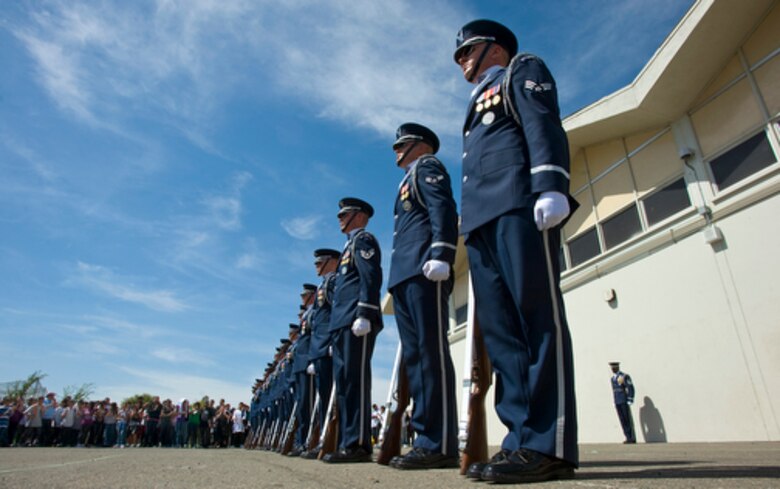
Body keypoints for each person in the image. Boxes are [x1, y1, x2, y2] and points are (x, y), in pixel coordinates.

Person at [452, 19, 578, 483]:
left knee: (536, 320)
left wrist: (550, 184)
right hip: (484, 222)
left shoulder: (521, 70)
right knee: (503, 337)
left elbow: (541, 123)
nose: (463, 62)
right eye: (460, 56)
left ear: (495, 50)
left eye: (469, 52)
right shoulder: (477, 99)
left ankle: (550, 444)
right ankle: (521, 441)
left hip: (520, 206)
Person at [386, 123, 459, 470]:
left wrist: (442, 253)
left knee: (430, 353)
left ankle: (438, 442)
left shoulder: (427, 167)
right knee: (415, 358)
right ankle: (426, 438)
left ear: (421, 145)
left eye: (403, 145)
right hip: (405, 274)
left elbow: (442, 209)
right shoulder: (406, 179)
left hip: (424, 268)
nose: (396, 151)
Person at [322, 198, 383, 463]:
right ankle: (348, 441)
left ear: (359, 217)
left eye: (344, 214)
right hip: (342, 324)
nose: (339, 218)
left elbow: (370, 276)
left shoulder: (363, 240)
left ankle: (358, 443)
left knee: (355, 381)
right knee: (345, 383)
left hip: (356, 320)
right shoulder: (348, 247)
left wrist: (365, 312)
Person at [609, 362, 636, 444]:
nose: (613, 369)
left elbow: (630, 387)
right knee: (622, 419)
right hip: (617, 400)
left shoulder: (624, 376)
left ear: (617, 368)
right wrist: (614, 401)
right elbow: (614, 390)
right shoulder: (613, 378)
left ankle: (631, 437)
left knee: (626, 419)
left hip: (623, 399)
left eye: (614, 368)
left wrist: (630, 398)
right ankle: (627, 436)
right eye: (612, 368)